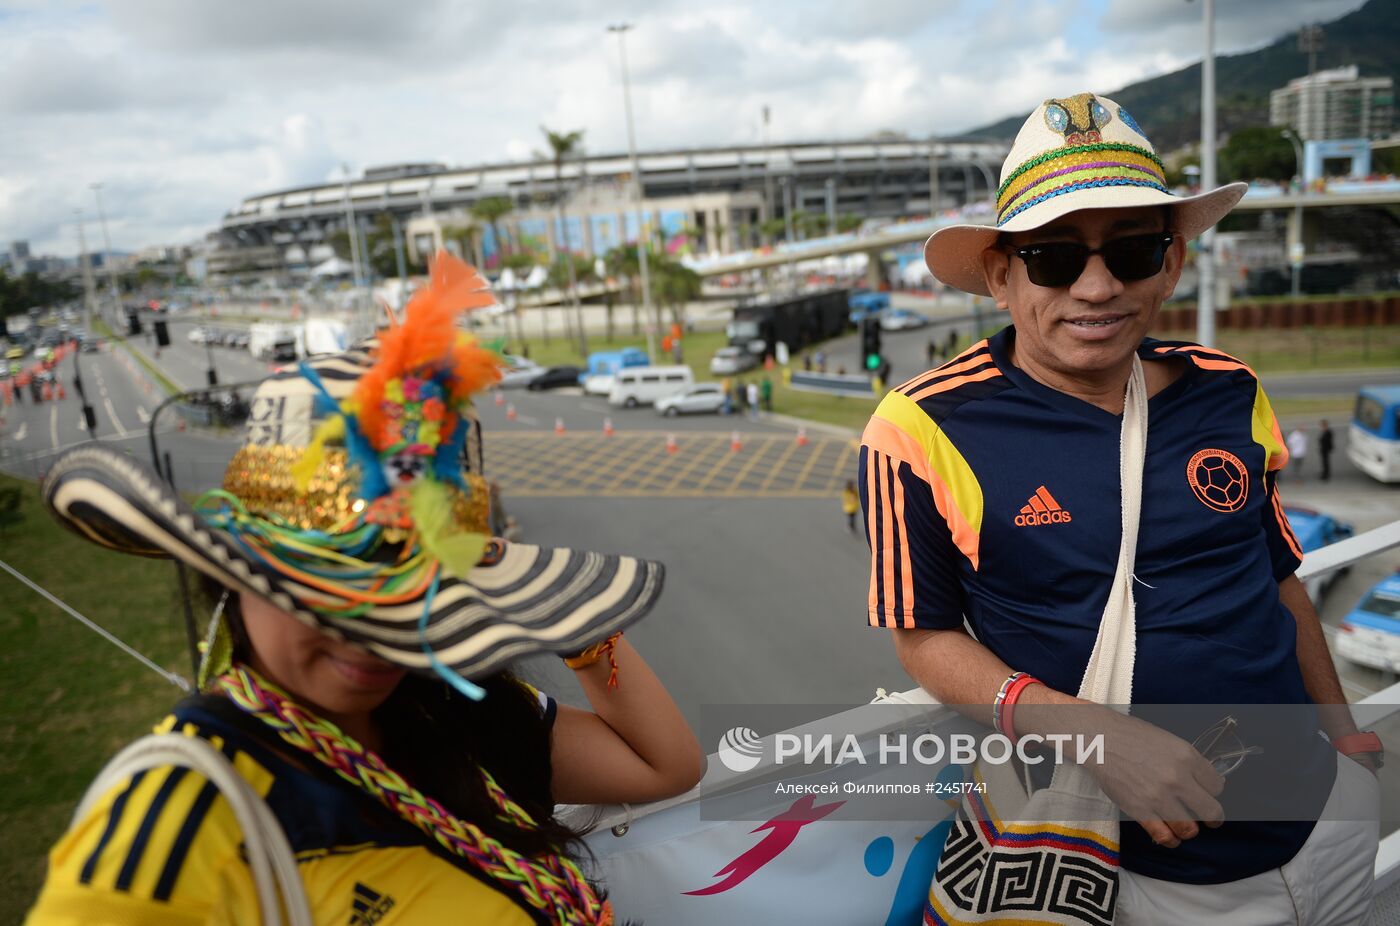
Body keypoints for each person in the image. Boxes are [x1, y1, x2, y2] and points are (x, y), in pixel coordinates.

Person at [27, 253, 703, 925]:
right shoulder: (176, 823)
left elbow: (665, 767)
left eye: (416, 588)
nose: (379, 633)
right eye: (328, 589)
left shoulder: (455, 712)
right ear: (235, 572)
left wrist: (576, 629)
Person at [859, 93, 1379, 924]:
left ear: (1171, 264)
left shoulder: (1230, 388)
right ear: (1001, 276)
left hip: (1329, 827)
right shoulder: (919, 428)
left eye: (1133, 250)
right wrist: (1095, 736)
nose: (1098, 287)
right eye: (1055, 258)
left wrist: (1347, 741)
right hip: (1138, 882)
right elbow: (921, 635)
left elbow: (1277, 577)